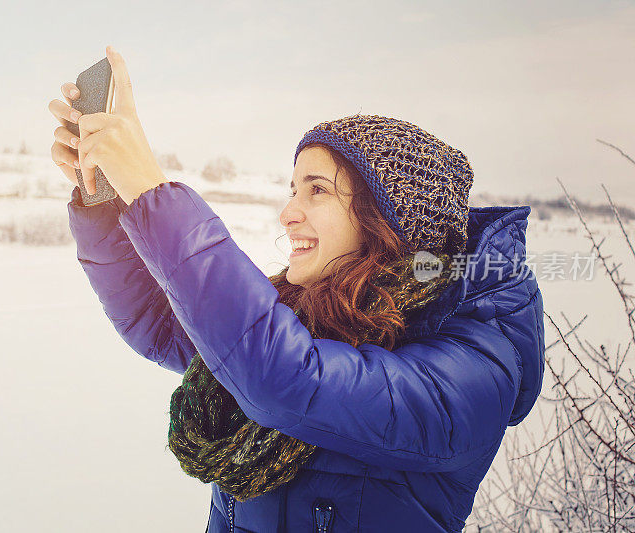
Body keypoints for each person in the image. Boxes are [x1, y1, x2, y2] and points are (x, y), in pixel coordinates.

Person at [48, 49, 545, 533]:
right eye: (292, 189)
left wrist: (150, 188)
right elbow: (161, 324)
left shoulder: (476, 361)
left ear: (387, 220)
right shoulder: (310, 313)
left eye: (317, 190)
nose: (289, 212)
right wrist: (106, 202)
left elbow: (285, 377)